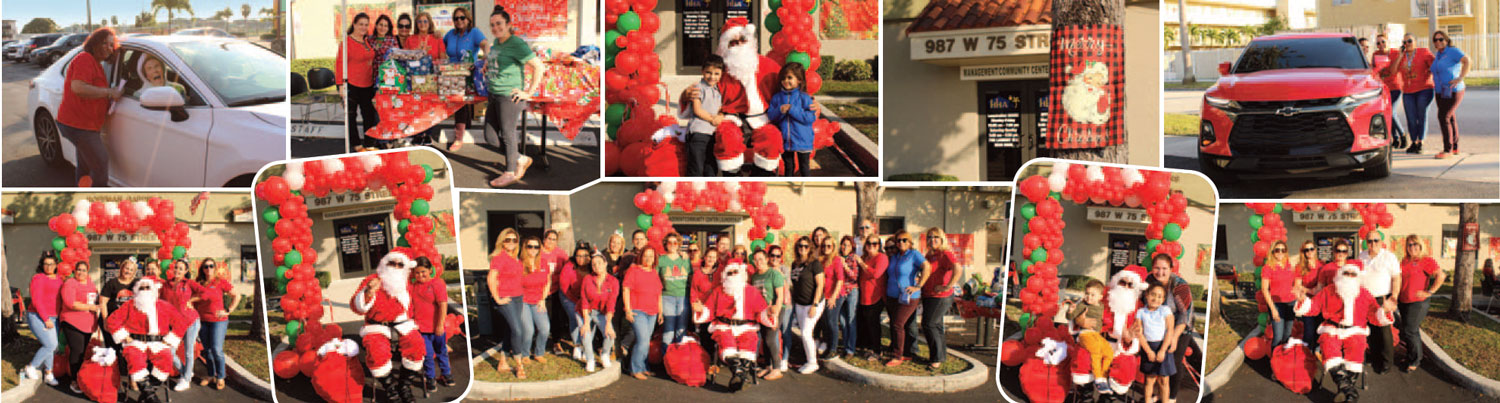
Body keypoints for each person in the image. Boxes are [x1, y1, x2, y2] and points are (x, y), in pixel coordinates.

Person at [1293, 264, 1394, 401]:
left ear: (1358, 277)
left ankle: (1346, 390)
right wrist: (1303, 301)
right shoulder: (1329, 290)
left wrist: (1385, 311)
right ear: (1341, 274)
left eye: (1353, 274)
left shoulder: (1364, 294)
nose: (1350, 276)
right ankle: (1349, 392)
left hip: (1355, 330)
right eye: (1347, 273)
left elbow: (1374, 315)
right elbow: (1314, 307)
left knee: (1357, 349)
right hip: (1332, 329)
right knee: (1328, 347)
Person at [483, 5, 547, 187]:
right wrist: (487, 66)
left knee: (508, 135)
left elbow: (538, 67)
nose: (495, 28)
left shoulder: (517, 44)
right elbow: (497, 60)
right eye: (492, 25)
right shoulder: (497, 43)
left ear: (509, 24)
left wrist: (528, 92)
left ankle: (510, 172)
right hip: (494, 94)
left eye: (499, 24)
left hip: (508, 97)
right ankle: (519, 158)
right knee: (490, 137)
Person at [350, 250, 427, 400]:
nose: (395, 267)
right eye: (392, 263)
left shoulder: (408, 283)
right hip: (376, 326)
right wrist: (369, 292)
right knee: (376, 351)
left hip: (402, 324)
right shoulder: (372, 279)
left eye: (400, 264)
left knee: (417, 345)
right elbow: (356, 307)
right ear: (385, 263)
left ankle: (404, 385)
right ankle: (390, 388)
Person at [57, 27, 122, 187]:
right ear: (95, 43)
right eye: (105, 43)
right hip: (78, 126)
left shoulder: (96, 64)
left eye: (111, 45)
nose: (109, 48)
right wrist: (109, 92)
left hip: (84, 125)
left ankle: (82, 194)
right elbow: (78, 87)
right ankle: (97, 200)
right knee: (100, 163)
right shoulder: (84, 59)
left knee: (85, 166)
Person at [104, 276, 187, 391]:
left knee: (167, 359)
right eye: (141, 288)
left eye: (148, 287)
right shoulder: (129, 305)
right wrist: (123, 336)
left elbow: (181, 323)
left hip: (158, 343)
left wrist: (169, 340)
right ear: (137, 291)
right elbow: (112, 320)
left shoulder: (164, 306)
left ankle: (148, 392)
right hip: (135, 343)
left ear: (153, 290)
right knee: (135, 359)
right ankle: (149, 395)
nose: (145, 290)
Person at [1145, 254, 1194, 403]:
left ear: (1171, 269)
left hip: (1181, 327)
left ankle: (1171, 397)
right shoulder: (1149, 281)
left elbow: (1184, 315)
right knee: (1157, 362)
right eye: (1157, 268)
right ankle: (1159, 393)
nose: (1160, 272)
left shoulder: (1180, 286)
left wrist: (1174, 337)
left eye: (1164, 268)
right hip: (1158, 327)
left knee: (1174, 362)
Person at [1397, 236, 1445, 372]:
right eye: (1409, 245)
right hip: (1404, 301)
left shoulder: (1425, 260)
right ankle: (1411, 355)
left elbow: (1441, 276)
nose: (1412, 247)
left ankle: (1415, 360)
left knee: (1410, 330)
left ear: (1421, 245)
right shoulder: (1405, 261)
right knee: (1409, 331)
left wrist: (1429, 292)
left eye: (1415, 244)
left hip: (1417, 303)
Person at [442, 6, 485, 152]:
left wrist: (488, 57)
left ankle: (458, 138)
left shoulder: (474, 32)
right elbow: (441, 45)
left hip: (468, 74)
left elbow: (484, 44)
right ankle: (467, 124)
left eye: (462, 17)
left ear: (468, 19)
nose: (459, 21)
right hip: (451, 73)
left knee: (459, 102)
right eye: (456, 18)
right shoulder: (450, 34)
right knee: (460, 102)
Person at [193, 259, 240, 390]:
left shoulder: (220, 282)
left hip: (218, 322)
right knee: (207, 351)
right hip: (203, 321)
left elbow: (236, 296)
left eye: (211, 266)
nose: (208, 269)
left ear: (215, 268)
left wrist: (228, 311)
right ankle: (210, 374)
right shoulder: (199, 283)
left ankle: (220, 376)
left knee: (216, 350)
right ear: (202, 269)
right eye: (205, 267)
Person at [884, 231, 929, 367]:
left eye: (904, 240)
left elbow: (927, 267)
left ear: (909, 242)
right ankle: (907, 352)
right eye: (898, 241)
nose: (901, 243)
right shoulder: (895, 256)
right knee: (901, 324)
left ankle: (898, 356)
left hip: (909, 296)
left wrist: (918, 285)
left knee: (898, 324)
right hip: (892, 296)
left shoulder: (914, 255)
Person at [921, 228, 963, 369]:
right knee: (936, 325)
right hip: (929, 295)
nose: (932, 240)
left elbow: (958, 269)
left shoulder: (945, 254)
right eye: (930, 237)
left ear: (942, 239)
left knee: (929, 324)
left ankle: (936, 359)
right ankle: (940, 355)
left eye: (936, 237)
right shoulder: (930, 254)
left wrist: (947, 286)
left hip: (940, 296)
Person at [336, 13, 379, 152]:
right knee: (351, 116)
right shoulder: (347, 42)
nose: (363, 27)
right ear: (354, 24)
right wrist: (341, 86)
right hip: (351, 84)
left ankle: (369, 144)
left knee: (369, 116)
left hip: (367, 84)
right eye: (361, 24)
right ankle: (356, 144)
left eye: (366, 24)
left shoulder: (367, 40)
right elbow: (339, 64)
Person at [767, 62, 818, 177]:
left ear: (799, 80)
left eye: (790, 77)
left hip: (803, 140)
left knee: (804, 167)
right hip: (785, 140)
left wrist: (792, 109)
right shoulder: (777, 97)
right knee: (788, 167)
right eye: (783, 78)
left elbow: (809, 118)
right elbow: (771, 116)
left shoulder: (805, 97)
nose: (786, 81)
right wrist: (780, 110)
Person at [1359, 232, 1400, 374]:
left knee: (1384, 331)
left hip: (1382, 298)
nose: (1373, 243)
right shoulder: (1361, 256)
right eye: (1369, 241)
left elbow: (1396, 278)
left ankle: (1387, 363)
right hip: (1365, 299)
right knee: (1371, 331)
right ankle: (1375, 358)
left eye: (1376, 240)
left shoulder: (1389, 257)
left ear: (1381, 241)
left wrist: (1393, 297)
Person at [487, 228, 526, 378]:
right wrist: (497, 298)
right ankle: (519, 364)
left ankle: (502, 361)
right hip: (505, 298)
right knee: (517, 330)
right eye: (507, 239)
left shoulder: (516, 258)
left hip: (518, 297)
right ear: (502, 241)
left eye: (514, 240)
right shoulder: (498, 257)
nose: (511, 242)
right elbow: (491, 278)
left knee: (510, 330)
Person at [410, 257, 453, 390]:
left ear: (430, 270)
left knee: (441, 351)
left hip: (436, 328)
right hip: (421, 329)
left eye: (423, 271)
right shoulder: (414, 287)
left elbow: (443, 305)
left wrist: (440, 325)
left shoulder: (437, 283)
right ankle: (430, 378)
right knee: (427, 355)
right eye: (417, 273)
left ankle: (446, 375)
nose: (420, 275)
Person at [21, 254, 64, 386]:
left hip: (55, 317)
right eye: (46, 264)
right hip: (38, 316)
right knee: (51, 345)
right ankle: (32, 366)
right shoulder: (38, 278)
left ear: (56, 265)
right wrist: (46, 319)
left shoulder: (59, 279)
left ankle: (49, 374)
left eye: (51, 264)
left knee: (50, 346)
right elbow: (36, 300)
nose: (49, 266)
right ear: (42, 265)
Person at [404, 12, 446, 146]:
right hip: (414, 79)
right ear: (416, 24)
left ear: (430, 23)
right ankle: (417, 134)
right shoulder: (411, 39)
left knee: (430, 107)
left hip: (431, 79)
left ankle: (427, 134)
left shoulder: (437, 38)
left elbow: (443, 57)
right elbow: (405, 58)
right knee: (415, 107)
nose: (422, 24)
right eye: (420, 22)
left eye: (425, 21)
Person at [786, 236, 826, 374]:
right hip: (800, 304)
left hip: (813, 303)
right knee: (805, 333)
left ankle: (812, 362)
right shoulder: (794, 264)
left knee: (805, 332)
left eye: (805, 246)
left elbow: (820, 284)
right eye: (800, 246)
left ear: (810, 248)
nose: (802, 249)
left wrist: (814, 304)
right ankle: (809, 358)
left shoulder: (815, 264)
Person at [682, 55, 728, 177]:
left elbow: (721, 109)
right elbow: (697, 110)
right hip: (699, 133)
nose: (712, 77)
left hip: (713, 134)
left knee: (711, 168)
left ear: (722, 74)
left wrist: (721, 116)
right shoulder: (698, 88)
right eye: (708, 73)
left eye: (716, 74)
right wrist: (712, 119)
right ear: (702, 71)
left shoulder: (719, 90)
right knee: (696, 168)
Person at [622, 247, 664, 380]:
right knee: (643, 340)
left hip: (652, 312)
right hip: (637, 310)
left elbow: (658, 294)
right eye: (646, 256)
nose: (648, 259)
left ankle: (644, 367)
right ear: (641, 256)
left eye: (651, 256)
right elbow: (626, 289)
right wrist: (628, 309)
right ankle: (634, 368)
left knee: (646, 341)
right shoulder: (634, 270)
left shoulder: (654, 273)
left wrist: (660, 312)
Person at [59, 261, 101, 394]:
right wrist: (90, 307)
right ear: (74, 271)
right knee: (76, 351)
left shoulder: (90, 284)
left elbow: (96, 299)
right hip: (72, 321)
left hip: (88, 323)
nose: (81, 272)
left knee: (82, 352)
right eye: (78, 270)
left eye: (83, 270)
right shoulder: (70, 283)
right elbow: (70, 303)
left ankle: (80, 377)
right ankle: (74, 381)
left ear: (87, 272)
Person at [161, 259, 202, 391]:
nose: (177, 270)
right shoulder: (167, 285)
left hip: (191, 321)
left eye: (181, 268)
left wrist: (192, 300)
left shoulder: (188, 283)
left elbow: (204, 293)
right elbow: (161, 302)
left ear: (185, 271)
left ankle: (186, 380)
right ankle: (186, 371)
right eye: (176, 268)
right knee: (170, 351)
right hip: (175, 324)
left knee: (189, 352)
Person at [1429, 30, 1471, 159]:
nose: (1438, 42)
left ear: (1446, 40)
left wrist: (1460, 77)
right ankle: (1455, 147)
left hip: (1453, 90)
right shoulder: (1439, 55)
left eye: (1441, 39)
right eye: (1435, 40)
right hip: (1440, 91)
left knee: (1444, 117)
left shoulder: (1452, 51)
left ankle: (1447, 150)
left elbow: (1467, 60)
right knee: (1450, 117)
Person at [1065, 280, 1111, 393]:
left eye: (1092, 295)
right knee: (1096, 351)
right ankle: (1098, 379)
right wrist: (1070, 311)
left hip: (1096, 335)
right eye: (1087, 293)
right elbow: (1070, 317)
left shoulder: (1101, 306)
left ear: (1100, 297)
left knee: (1108, 352)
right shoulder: (1082, 305)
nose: (1089, 297)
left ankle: (1103, 376)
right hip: (1085, 334)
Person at [749, 249, 787, 380]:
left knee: (771, 338)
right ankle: (768, 366)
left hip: (775, 309)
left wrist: (776, 308)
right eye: (755, 259)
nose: (758, 262)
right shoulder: (754, 276)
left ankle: (777, 368)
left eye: (760, 259)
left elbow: (780, 295)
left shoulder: (773, 274)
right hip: (762, 311)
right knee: (765, 338)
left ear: (766, 259)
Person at [1136, 283, 1176, 403]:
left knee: (1164, 380)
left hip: (1163, 346)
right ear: (1147, 295)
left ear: (1163, 299)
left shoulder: (1165, 310)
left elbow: (1170, 330)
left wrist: (1163, 350)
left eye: (1159, 296)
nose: (1156, 299)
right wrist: (1148, 351)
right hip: (1148, 347)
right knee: (1150, 380)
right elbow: (1139, 333)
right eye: (1153, 295)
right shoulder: (1141, 312)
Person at [578, 255, 619, 372]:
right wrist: (586, 322)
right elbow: (584, 301)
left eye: (599, 263)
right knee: (586, 333)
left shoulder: (613, 281)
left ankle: (605, 354)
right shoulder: (587, 279)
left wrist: (608, 324)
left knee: (610, 334)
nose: (597, 266)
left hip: (601, 312)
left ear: (605, 264)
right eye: (594, 264)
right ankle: (590, 359)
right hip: (585, 311)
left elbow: (611, 304)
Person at [1397, 33, 1436, 154]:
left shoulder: (1424, 52)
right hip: (1408, 91)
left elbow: (1435, 67)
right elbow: (1393, 70)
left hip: (1424, 89)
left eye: (1409, 41)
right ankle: (1413, 142)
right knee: (1411, 118)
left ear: (1415, 42)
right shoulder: (1402, 56)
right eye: (1404, 42)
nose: (1407, 44)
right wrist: (1399, 56)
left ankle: (1421, 142)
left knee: (1421, 115)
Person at [518, 236, 552, 362]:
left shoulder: (543, 263)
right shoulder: (519, 264)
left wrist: (543, 299)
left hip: (538, 300)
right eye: (530, 246)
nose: (533, 249)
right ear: (525, 248)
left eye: (536, 246)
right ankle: (525, 354)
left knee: (545, 328)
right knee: (529, 330)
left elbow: (548, 281)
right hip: (523, 301)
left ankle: (539, 353)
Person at [855, 235, 888, 361]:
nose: (871, 246)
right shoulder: (864, 257)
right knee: (866, 323)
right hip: (864, 296)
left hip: (876, 296)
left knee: (874, 324)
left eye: (875, 244)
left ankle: (877, 351)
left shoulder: (882, 257)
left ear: (879, 246)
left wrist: (862, 264)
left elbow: (876, 273)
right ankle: (868, 347)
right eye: (869, 243)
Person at [557, 244, 591, 361]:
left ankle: (586, 345)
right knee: (575, 317)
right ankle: (577, 345)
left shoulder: (592, 267)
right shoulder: (569, 267)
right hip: (569, 296)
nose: (582, 258)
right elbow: (565, 288)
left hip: (585, 298)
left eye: (585, 256)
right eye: (579, 256)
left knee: (588, 320)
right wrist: (578, 303)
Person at [1373, 34, 1407, 148]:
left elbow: (1393, 72)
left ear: (1388, 41)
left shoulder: (1395, 53)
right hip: (1383, 88)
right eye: (1378, 43)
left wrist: (1398, 57)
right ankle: (1395, 138)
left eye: (1383, 42)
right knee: (1386, 113)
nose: (1381, 45)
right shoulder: (1375, 55)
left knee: (1391, 112)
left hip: (1395, 87)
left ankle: (1402, 134)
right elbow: (1374, 71)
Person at [1260, 241, 1297, 346]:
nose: (1280, 253)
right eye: (1277, 250)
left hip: (1291, 303)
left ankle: (1283, 360)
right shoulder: (1267, 268)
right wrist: (1273, 309)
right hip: (1277, 304)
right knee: (1278, 337)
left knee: (1287, 335)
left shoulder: (1289, 266)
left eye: (1283, 250)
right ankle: (1273, 361)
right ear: (1272, 252)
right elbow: (1264, 289)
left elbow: (1294, 284)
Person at [814, 236, 845, 360]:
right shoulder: (821, 260)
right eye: (824, 246)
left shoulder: (836, 260)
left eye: (829, 246)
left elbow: (840, 280)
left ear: (833, 247)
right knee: (825, 322)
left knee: (832, 322)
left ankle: (833, 349)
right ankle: (827, 345)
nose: (826, 248)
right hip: (824, 295)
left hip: (835, 295)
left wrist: (833, 297)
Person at [1293, 240, 1323, 351]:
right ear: (1303, 252)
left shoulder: (1322, 265)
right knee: (1309, 332)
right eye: (1306, 250)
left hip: (1320, 303)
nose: (1309, 252)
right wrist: (1311, 291)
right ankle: (1307, 356)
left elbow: (1322, 287)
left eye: (1311, 249)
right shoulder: (1300, 267)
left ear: (1315, 250)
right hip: (1307, 304)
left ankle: (1318, 355)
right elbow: (1297, 286)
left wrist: (1306, 289)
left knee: (1319, 330)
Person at [834, 236, 861, 357]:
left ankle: (851, 349)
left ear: (852, 247)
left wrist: (844, 265)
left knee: (851, 319)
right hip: (840, 292)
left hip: (851, 291)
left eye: (848, 245)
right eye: (843, 244)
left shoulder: (853, 258)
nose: (845, 247)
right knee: (843, 320)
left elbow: (854, 277)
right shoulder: (837, 257)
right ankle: (845, 346)